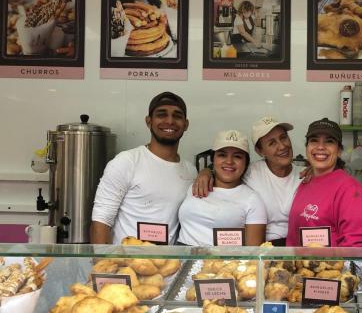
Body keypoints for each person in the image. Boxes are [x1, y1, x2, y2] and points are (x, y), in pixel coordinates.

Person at [91, 92, 197, 244]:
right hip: (126, 265)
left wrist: (208, 172)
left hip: (166, 265)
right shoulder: (126, 161)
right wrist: (102, 264)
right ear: (148, 121)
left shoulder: (190, 171)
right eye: (162, 115)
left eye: (177, 116)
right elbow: (101, 221)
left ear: (186, 124)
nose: (170, 121)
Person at [193, 116, 303, 246]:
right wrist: (206, 172)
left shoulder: (305, 174)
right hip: (266, 246)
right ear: (260, 151)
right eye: (272, 143)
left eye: (283, 137)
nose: (282, 146)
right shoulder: (251, 172)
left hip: (300, 245)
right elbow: (228, 169)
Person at [286, 118, 362, 247]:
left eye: (329, 141)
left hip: (332, 266)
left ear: (339, 151)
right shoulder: (305, 183)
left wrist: (331, 266)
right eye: (314, 140)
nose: (320, 147)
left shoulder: (350, 189)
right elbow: (293, 237)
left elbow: (356, 245)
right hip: (299, 265)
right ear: (307, 148)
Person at [177, 130, 266, 246]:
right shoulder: (196, 185)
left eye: (237, 156)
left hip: (223, 263)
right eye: (222, 155)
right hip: (182, 260)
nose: (229, 161)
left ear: (246, 163)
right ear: (213, 159)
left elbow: (253, 252)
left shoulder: (253, 200)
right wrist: (206, 171)